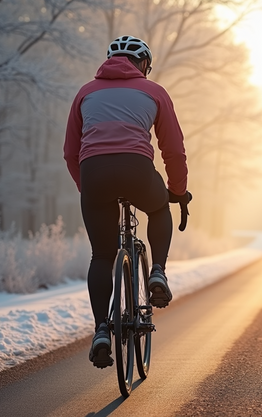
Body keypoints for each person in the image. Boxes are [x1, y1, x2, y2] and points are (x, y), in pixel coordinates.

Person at [63, 35, 191, 369]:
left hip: (93, 173)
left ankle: (102, 330)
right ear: (144, 64)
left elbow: (69, 151)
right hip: (137, 170)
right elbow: (173, 149)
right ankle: (158, 272)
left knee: (102, 254)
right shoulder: (154, 92)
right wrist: (177, 190)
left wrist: (88, 190)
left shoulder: (85, 92)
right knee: (159, 207)